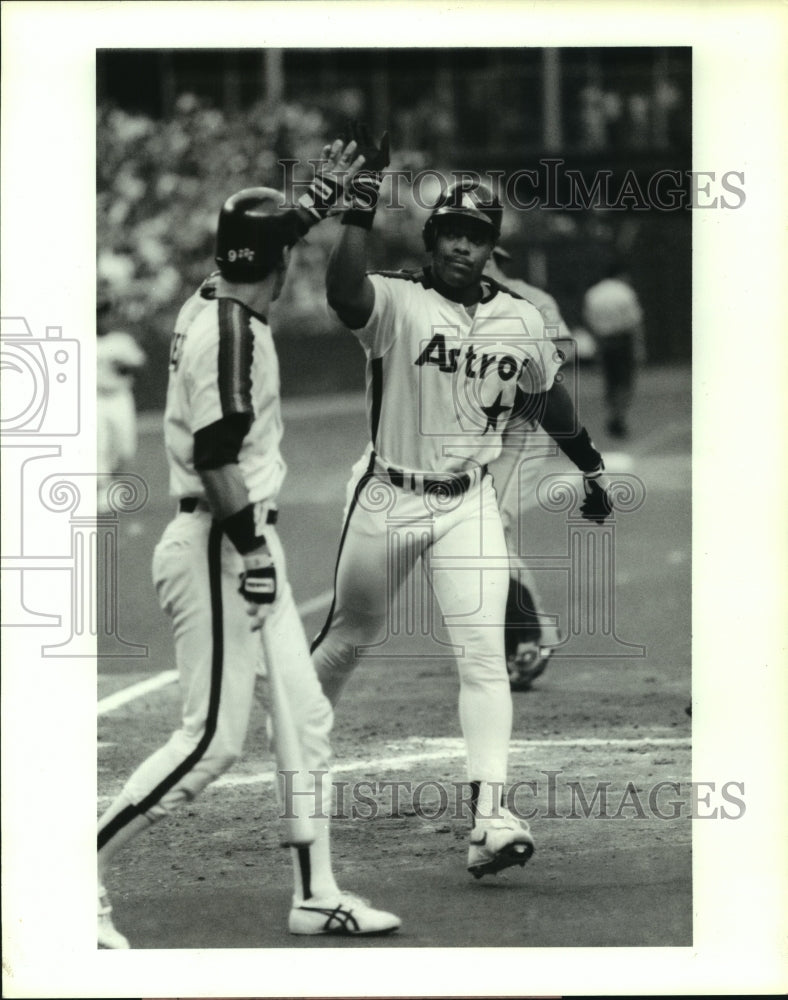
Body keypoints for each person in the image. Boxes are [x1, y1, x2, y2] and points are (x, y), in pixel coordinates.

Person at [97, 137, 401, 948]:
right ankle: (62, 882)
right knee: (209, 741)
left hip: (228, 537)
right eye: (290, 248)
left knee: (304, 717)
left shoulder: (216, 295)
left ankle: (315, 894)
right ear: (277, 262)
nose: (294, 258)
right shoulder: (231, 333)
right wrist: (258, 558)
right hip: (219, 544)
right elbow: (216, 457)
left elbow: (261, 244)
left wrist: (319, 201)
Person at [312, 133, 613, 880]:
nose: (462, 246)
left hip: (467, 504)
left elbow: (549, 400)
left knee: (484, 661)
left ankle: (491, 817)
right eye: (451, 231)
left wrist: (592, 469)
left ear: (490, 248)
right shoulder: (396, 300)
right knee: (352, 635)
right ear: (433, 238)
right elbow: (343, 291)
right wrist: (359, 202)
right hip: (386, 496)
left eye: (477, 237)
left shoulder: (518, 319)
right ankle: (297, 728)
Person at [484, 247, 571, 691]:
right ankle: (509, 637)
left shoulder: (529, 299)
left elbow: (557, 359)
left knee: (487, 525)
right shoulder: (439, 300)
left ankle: (533, 634)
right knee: (477, 536)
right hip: (471, 435)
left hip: (521, 430)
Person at [582, 260, 646, 438]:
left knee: (610, 380)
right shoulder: (625, 292)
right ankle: (619, 416)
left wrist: (596, 344)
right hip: (622, 339)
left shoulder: (593, 293)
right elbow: (634, 322)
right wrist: (639, 347)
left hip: (603, 340)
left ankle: (613, 413)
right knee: (624, 381)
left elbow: (589, 320)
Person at [96, 297, 147, 514]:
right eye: (99, 315)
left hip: (119, 396)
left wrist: (124, 366)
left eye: (106, 315)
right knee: (99, 446)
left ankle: (112, 487)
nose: (103, 320)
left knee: (125, 447)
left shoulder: (121, 340)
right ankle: (103, 492)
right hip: (95, 397)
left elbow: (141, 365)